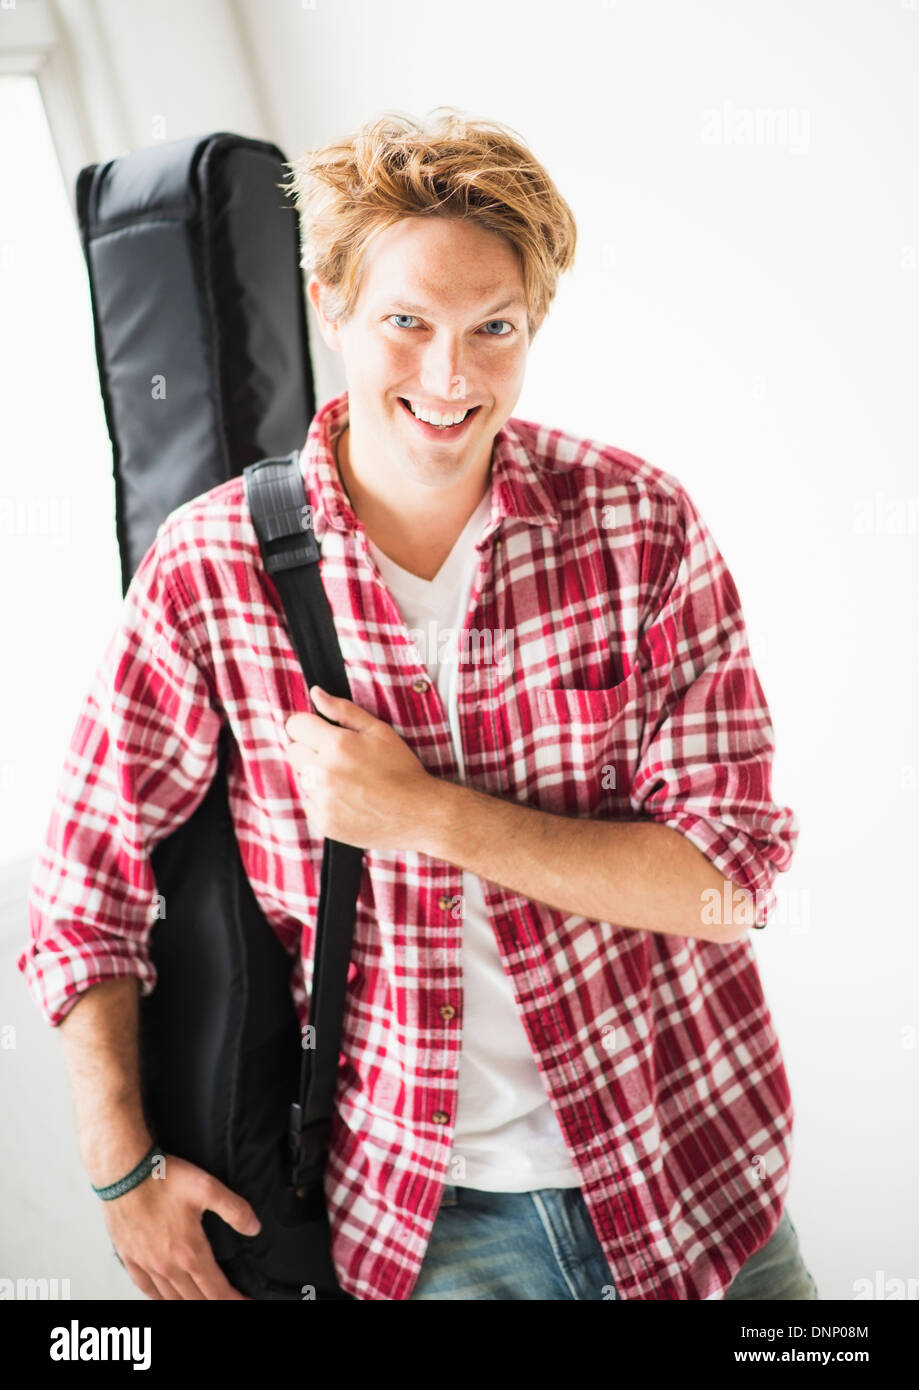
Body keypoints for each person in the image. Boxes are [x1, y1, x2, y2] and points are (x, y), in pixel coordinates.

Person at [19, 107, 817, 1301]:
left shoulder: (638, 526)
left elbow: (728, 879)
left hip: (695, 1180)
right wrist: (115, 1164)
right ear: (330, 306)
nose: (450, 378)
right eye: (407, 323)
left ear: (531, 323)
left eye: (492, 328)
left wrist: (426, 815)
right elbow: (88, 881)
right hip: (426, 1229)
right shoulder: (210, 566)